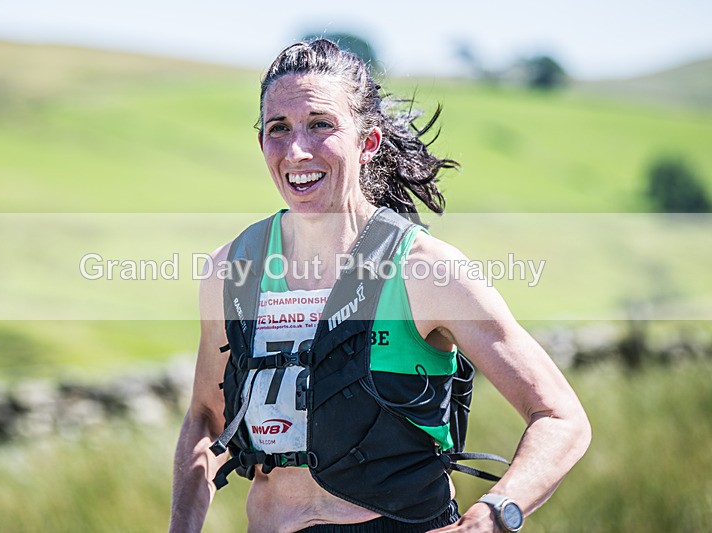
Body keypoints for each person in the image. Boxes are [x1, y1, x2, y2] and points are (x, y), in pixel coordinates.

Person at [169, 39, 591, 533]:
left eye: (321, 125)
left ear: (367, 142)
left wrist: (490, 516)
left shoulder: (426, 270)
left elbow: (561, 417)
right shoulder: (232, 269)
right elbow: (204, 417)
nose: (296, 149)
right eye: (278, 129)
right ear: (262, 143)